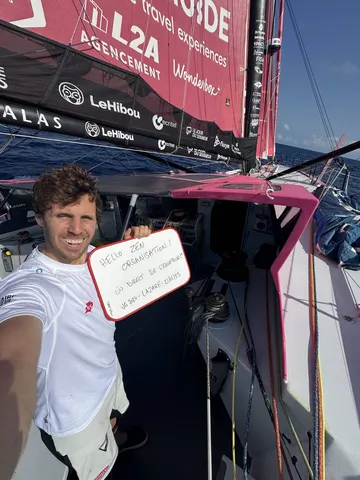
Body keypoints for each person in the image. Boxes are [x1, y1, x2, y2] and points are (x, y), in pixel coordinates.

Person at [0, 164, 151, 480]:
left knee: (112, 417)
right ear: (41, 217)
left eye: (86, 218)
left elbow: (107, 279)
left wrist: (133, 252)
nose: (76, 229)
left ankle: (116, 440)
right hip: (75, 419)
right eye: (63, 216)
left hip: (106, 374)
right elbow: (12, 358)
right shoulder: (31, 287)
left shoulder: (96, 258)